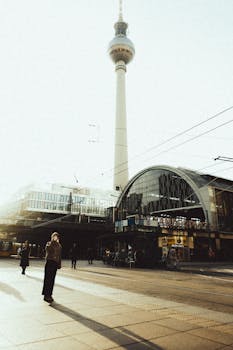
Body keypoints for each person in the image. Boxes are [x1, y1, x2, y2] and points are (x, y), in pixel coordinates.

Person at [42, 232, 62, 303]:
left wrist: (59, 264)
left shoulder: (59, 245)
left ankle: (49, 294)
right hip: (49, 262)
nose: (55, 237)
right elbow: (48, 249)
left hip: (55, 264)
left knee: (52, 280)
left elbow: (59, 256)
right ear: (52, 237)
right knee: (47, 279)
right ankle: (46, 295)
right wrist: (53, 242)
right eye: (54, 236)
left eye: (56, 236)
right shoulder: (49, 243)